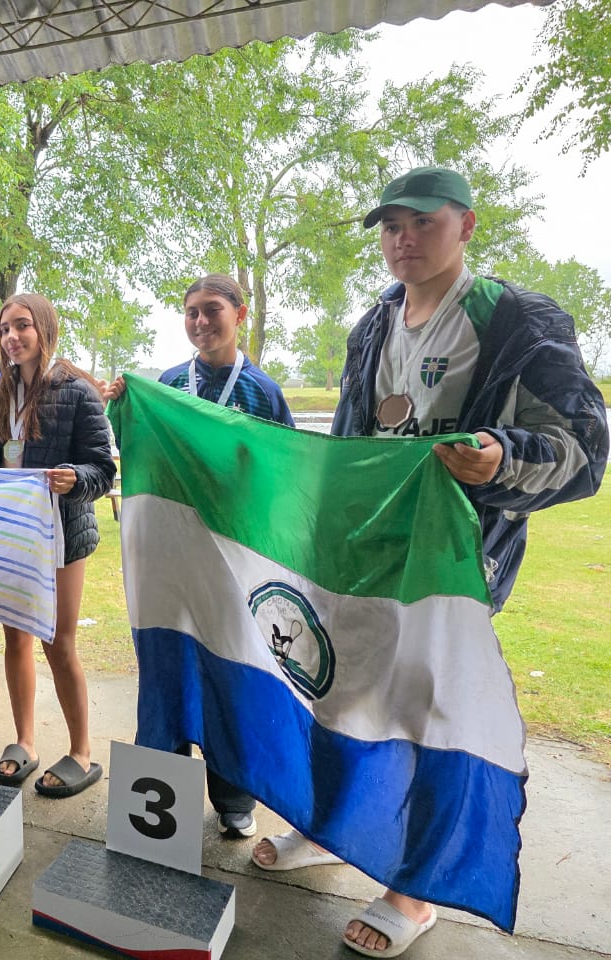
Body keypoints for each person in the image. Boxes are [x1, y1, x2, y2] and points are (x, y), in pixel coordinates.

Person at [251, 166, 608, 958]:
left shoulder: (518, 320)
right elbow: (349, 449)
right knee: (336, 688)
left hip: (455, 563)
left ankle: (413, 891)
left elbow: (586, 448)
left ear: (467, 225)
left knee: (428, 714)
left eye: (422, 222)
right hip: (367, 555)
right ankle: (326, 827)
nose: (403, 238)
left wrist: (503, 455)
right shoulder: (373, 325)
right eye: (390, 225)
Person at [105, 274, 295, 835]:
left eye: (212, 310)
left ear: (240, 314)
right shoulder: (167, 384)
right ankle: (161, 800)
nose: (200, 321)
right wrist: (122, 409)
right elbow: (141, 452)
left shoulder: (262, 391)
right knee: (166, 670)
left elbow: (284, 470)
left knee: (230, 675)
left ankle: (235, 798)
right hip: (171, 557)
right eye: (191, 312)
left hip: (232, 563)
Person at [0, 293, 115, 797]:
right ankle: (25, 741)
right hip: (12, 534)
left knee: (58, 642)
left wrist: (74, 478)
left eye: (22, 326)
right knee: (15, 639)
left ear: (44, 329)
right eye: (4, 329)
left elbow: (102, 468)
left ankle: (81, 752)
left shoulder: (77, 391)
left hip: (63, 534)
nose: (12, 337)